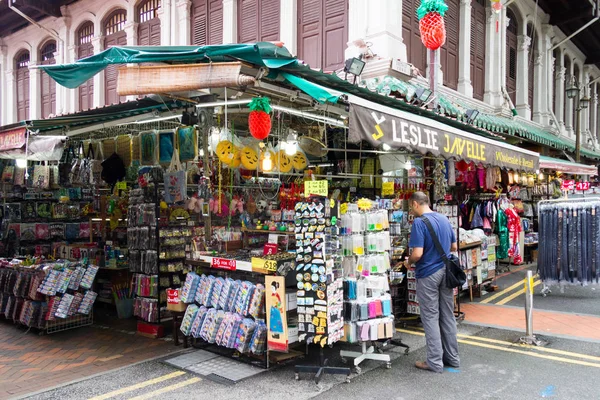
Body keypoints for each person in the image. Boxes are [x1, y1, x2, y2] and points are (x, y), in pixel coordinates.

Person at [407, 191, 460, 373]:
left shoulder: (419, 223)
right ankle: (452, 358)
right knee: (447, 315)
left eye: (410, 207)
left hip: (428, 274)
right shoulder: (444, 219)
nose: (411, 211)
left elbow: (417, 254)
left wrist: (408, 262)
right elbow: (453, 247)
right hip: (446, 272)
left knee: (430, 317)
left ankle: (435, 362)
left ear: (415, 204)